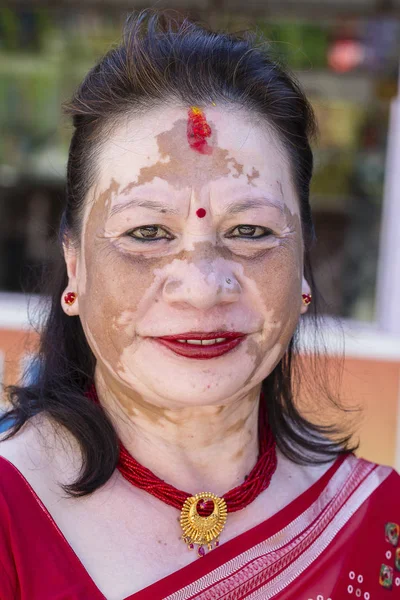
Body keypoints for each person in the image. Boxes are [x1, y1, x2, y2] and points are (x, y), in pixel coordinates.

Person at [0, 10, 399, 600]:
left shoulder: (376, 521)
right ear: (75, 265)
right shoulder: (10, 514)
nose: (204, 285)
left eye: (252, 232)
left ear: (305, 268)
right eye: (147, 233)